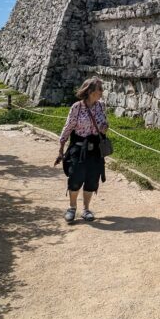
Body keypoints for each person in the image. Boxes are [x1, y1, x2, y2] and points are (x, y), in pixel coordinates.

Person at [55, 76, 109, 223]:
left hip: (95, 149)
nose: (102, 92)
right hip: (79, 149)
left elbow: (104, 123)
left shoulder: (101, 106)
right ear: (90, 91)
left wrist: (104, 128)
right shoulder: (77, 107)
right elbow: (68, 127)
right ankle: (72, 208)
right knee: (75, 178)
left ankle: (86, 209)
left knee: (92, 179)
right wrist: (61, 147)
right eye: (99, 89)